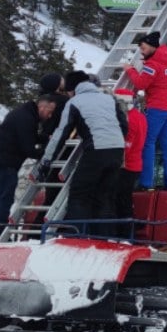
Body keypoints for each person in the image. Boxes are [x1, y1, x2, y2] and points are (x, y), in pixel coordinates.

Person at [39, 70, 128, 236]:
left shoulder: (75, 102)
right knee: (105, 196)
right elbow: (124, 125)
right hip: (117, 151)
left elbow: (61, 133)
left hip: (96, 150)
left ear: (72, 88)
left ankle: (76, 236)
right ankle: (105, 238)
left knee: (79, 194)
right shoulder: (108, 98)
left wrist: (46, 161)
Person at [0, 94, 61, 242]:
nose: (50, 116)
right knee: (4, 202)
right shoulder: (27, 118)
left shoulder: (23, 113)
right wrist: (47, 154)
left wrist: (45, 138)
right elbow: (28, 148)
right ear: (42, 106)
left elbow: (27, 136)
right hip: (5, 165)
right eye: (49, 111)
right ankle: (0, 237)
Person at [123, 32, 167, 190]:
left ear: (151, 45)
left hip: (158, 107)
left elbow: (141, 84)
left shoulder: (153, 64)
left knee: (147, 143)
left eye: (143, 47)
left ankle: (146, 182)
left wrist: (130, 70)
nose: (141, 51)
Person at [113, 90, 147, 239]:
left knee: (118, 199)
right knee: (125, 199)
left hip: (126, 165)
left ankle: (122, 233)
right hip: (135, 164)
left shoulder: (127, 118)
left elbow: (128, 142)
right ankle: (126, 232)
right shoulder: (140, 117)